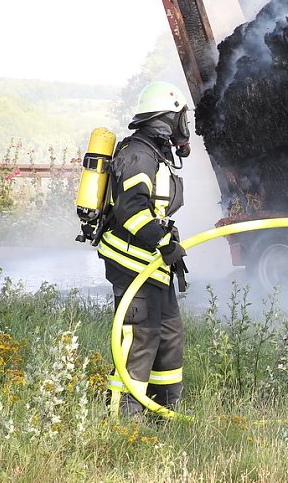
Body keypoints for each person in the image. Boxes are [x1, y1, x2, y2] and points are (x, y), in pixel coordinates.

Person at [99, 81, 191, 419]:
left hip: (153, 265)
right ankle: (124, 422)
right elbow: (132, 209)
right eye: (181, 117)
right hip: (133, 263)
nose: (185, 126)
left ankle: (164, 413)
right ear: (167, 118)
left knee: (168, 336)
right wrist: (163, 240)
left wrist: (163, 245)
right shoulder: (137, 154)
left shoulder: (153, 154)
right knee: (139, 340)